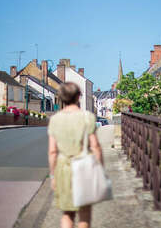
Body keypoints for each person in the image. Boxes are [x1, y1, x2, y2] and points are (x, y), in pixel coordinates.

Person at [47, 82, 103, 228]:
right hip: (84, 168)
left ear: (61, 98)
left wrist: (52, 176)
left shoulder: (55, 120)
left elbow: (52, 151)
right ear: (78, 96)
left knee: (67, 214)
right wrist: (100, 169)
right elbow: (95, 146)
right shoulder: (87, 117)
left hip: (63, 169)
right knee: (84, 214)